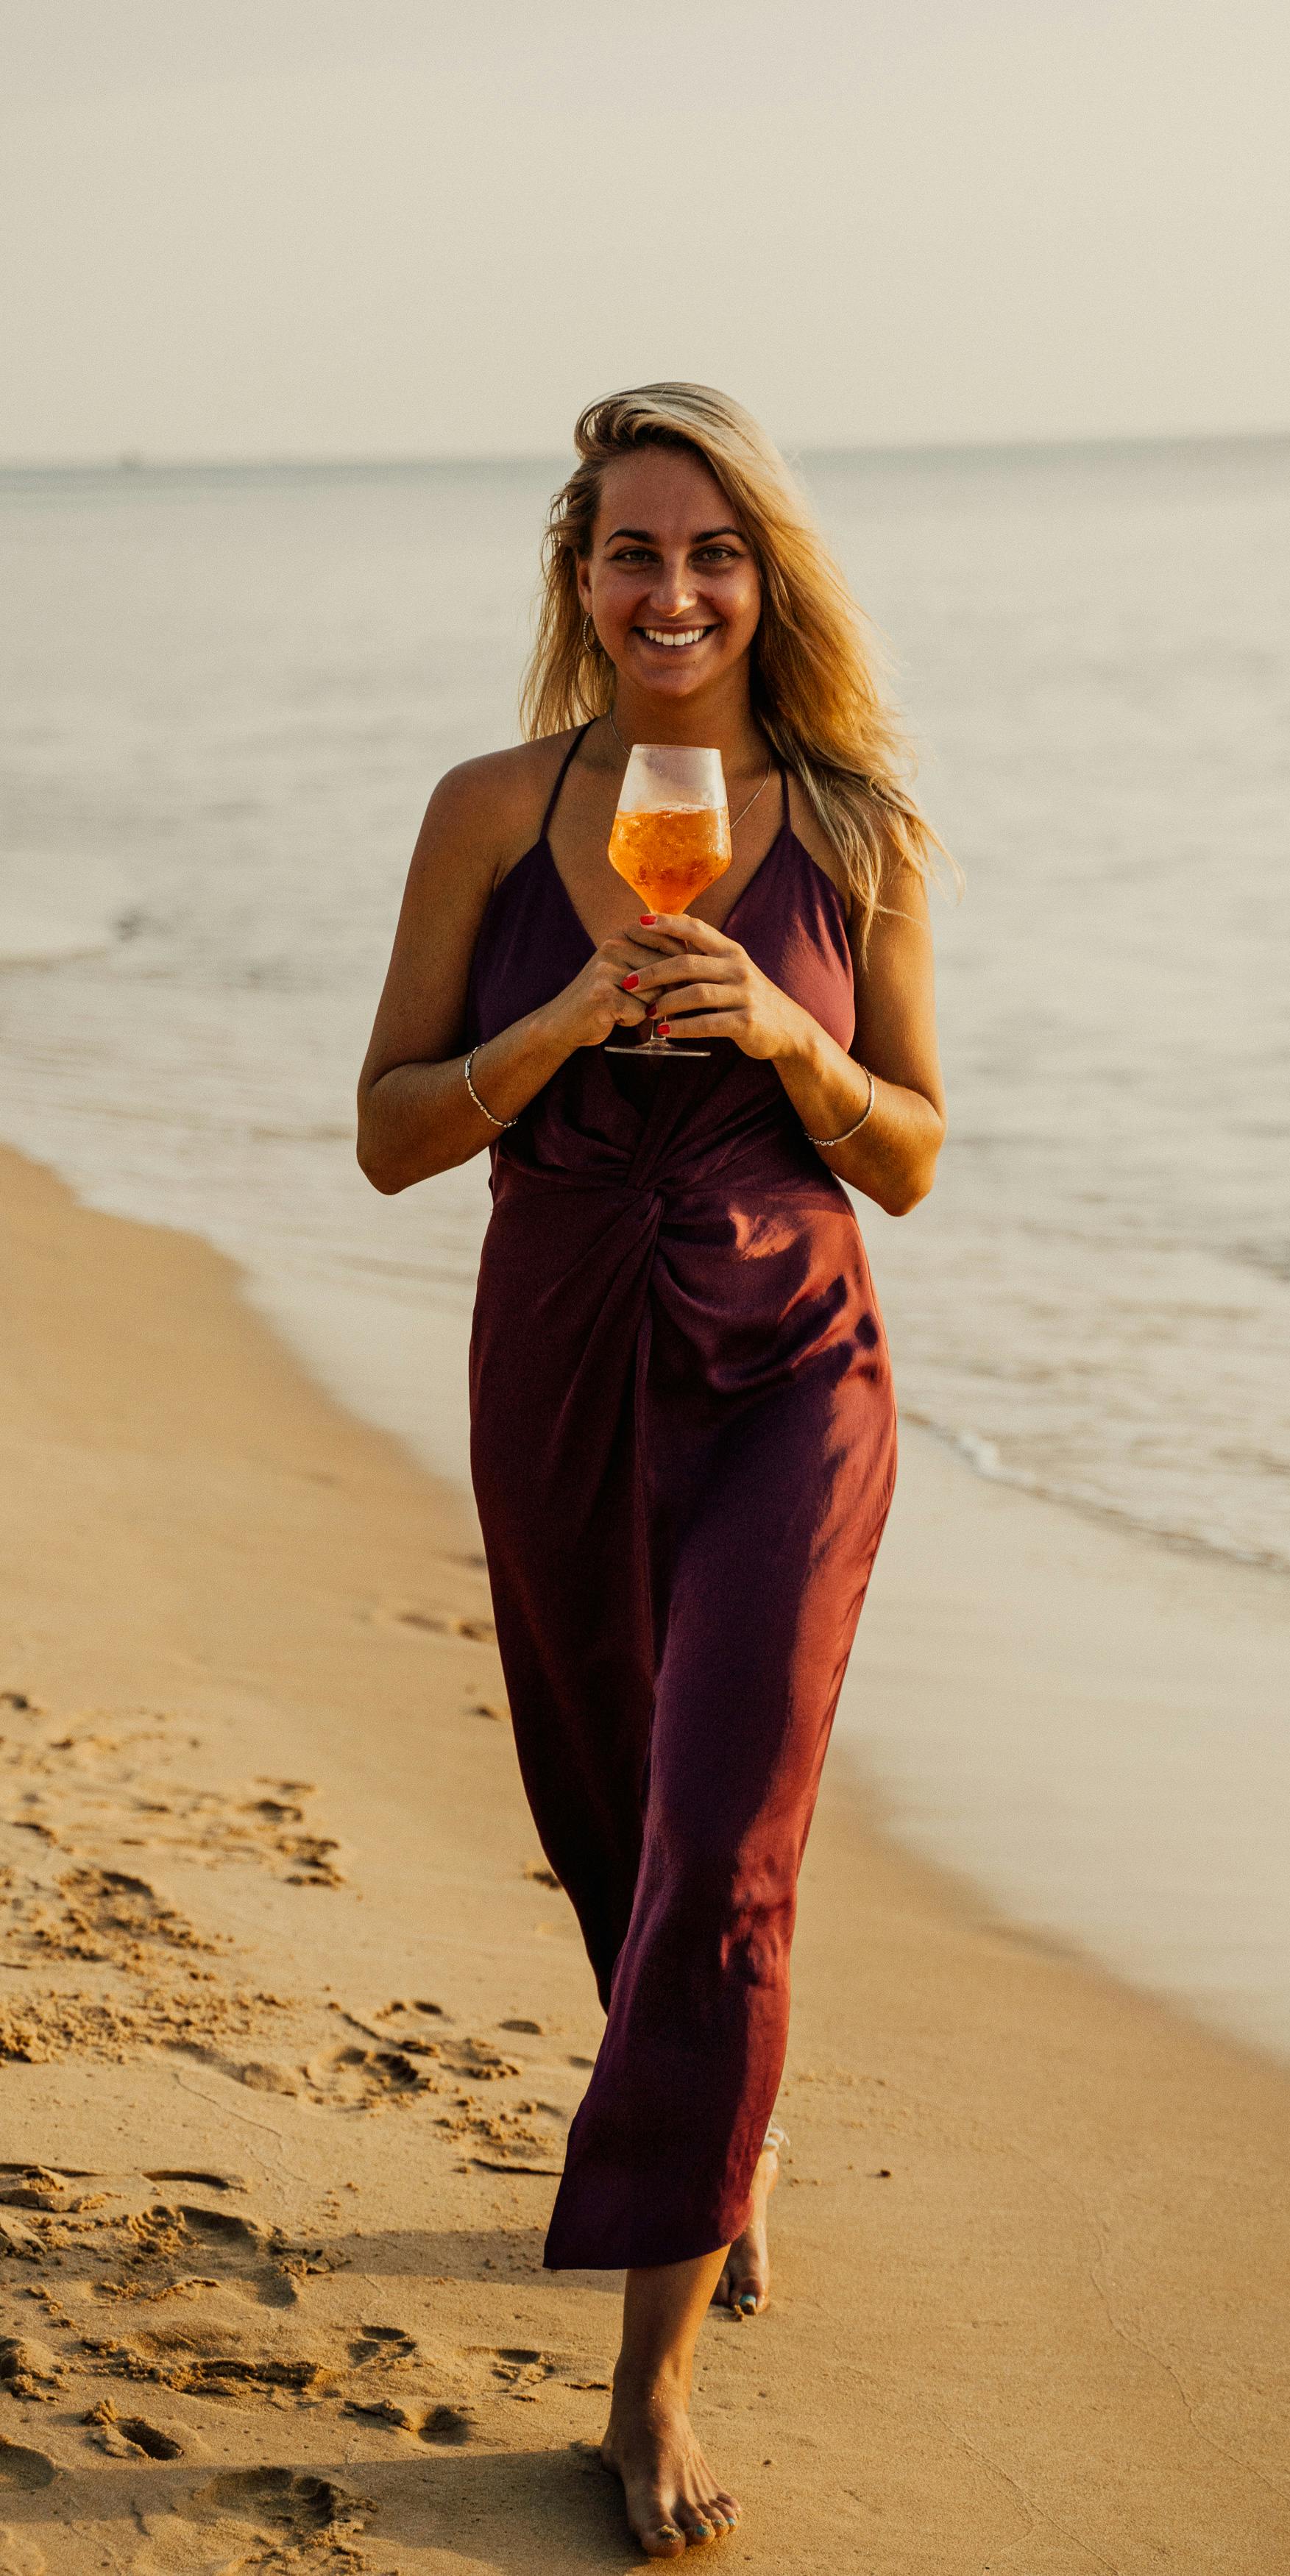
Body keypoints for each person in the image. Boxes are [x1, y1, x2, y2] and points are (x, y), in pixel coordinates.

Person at [355, 383, 946, 2558]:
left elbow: (918, 1150)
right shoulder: (494, 812)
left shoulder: (858, 826)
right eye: (631, 550)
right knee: (608, 1803)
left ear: (763, 574)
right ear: (577, 579)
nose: (673, 588)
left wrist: (797, 1046)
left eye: (712, 550)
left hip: (793, 1365)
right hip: (563, 1348)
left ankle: (649, 2380)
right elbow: (396, 1127)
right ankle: (725, 2126)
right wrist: (566, 1022)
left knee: (725, 1834)